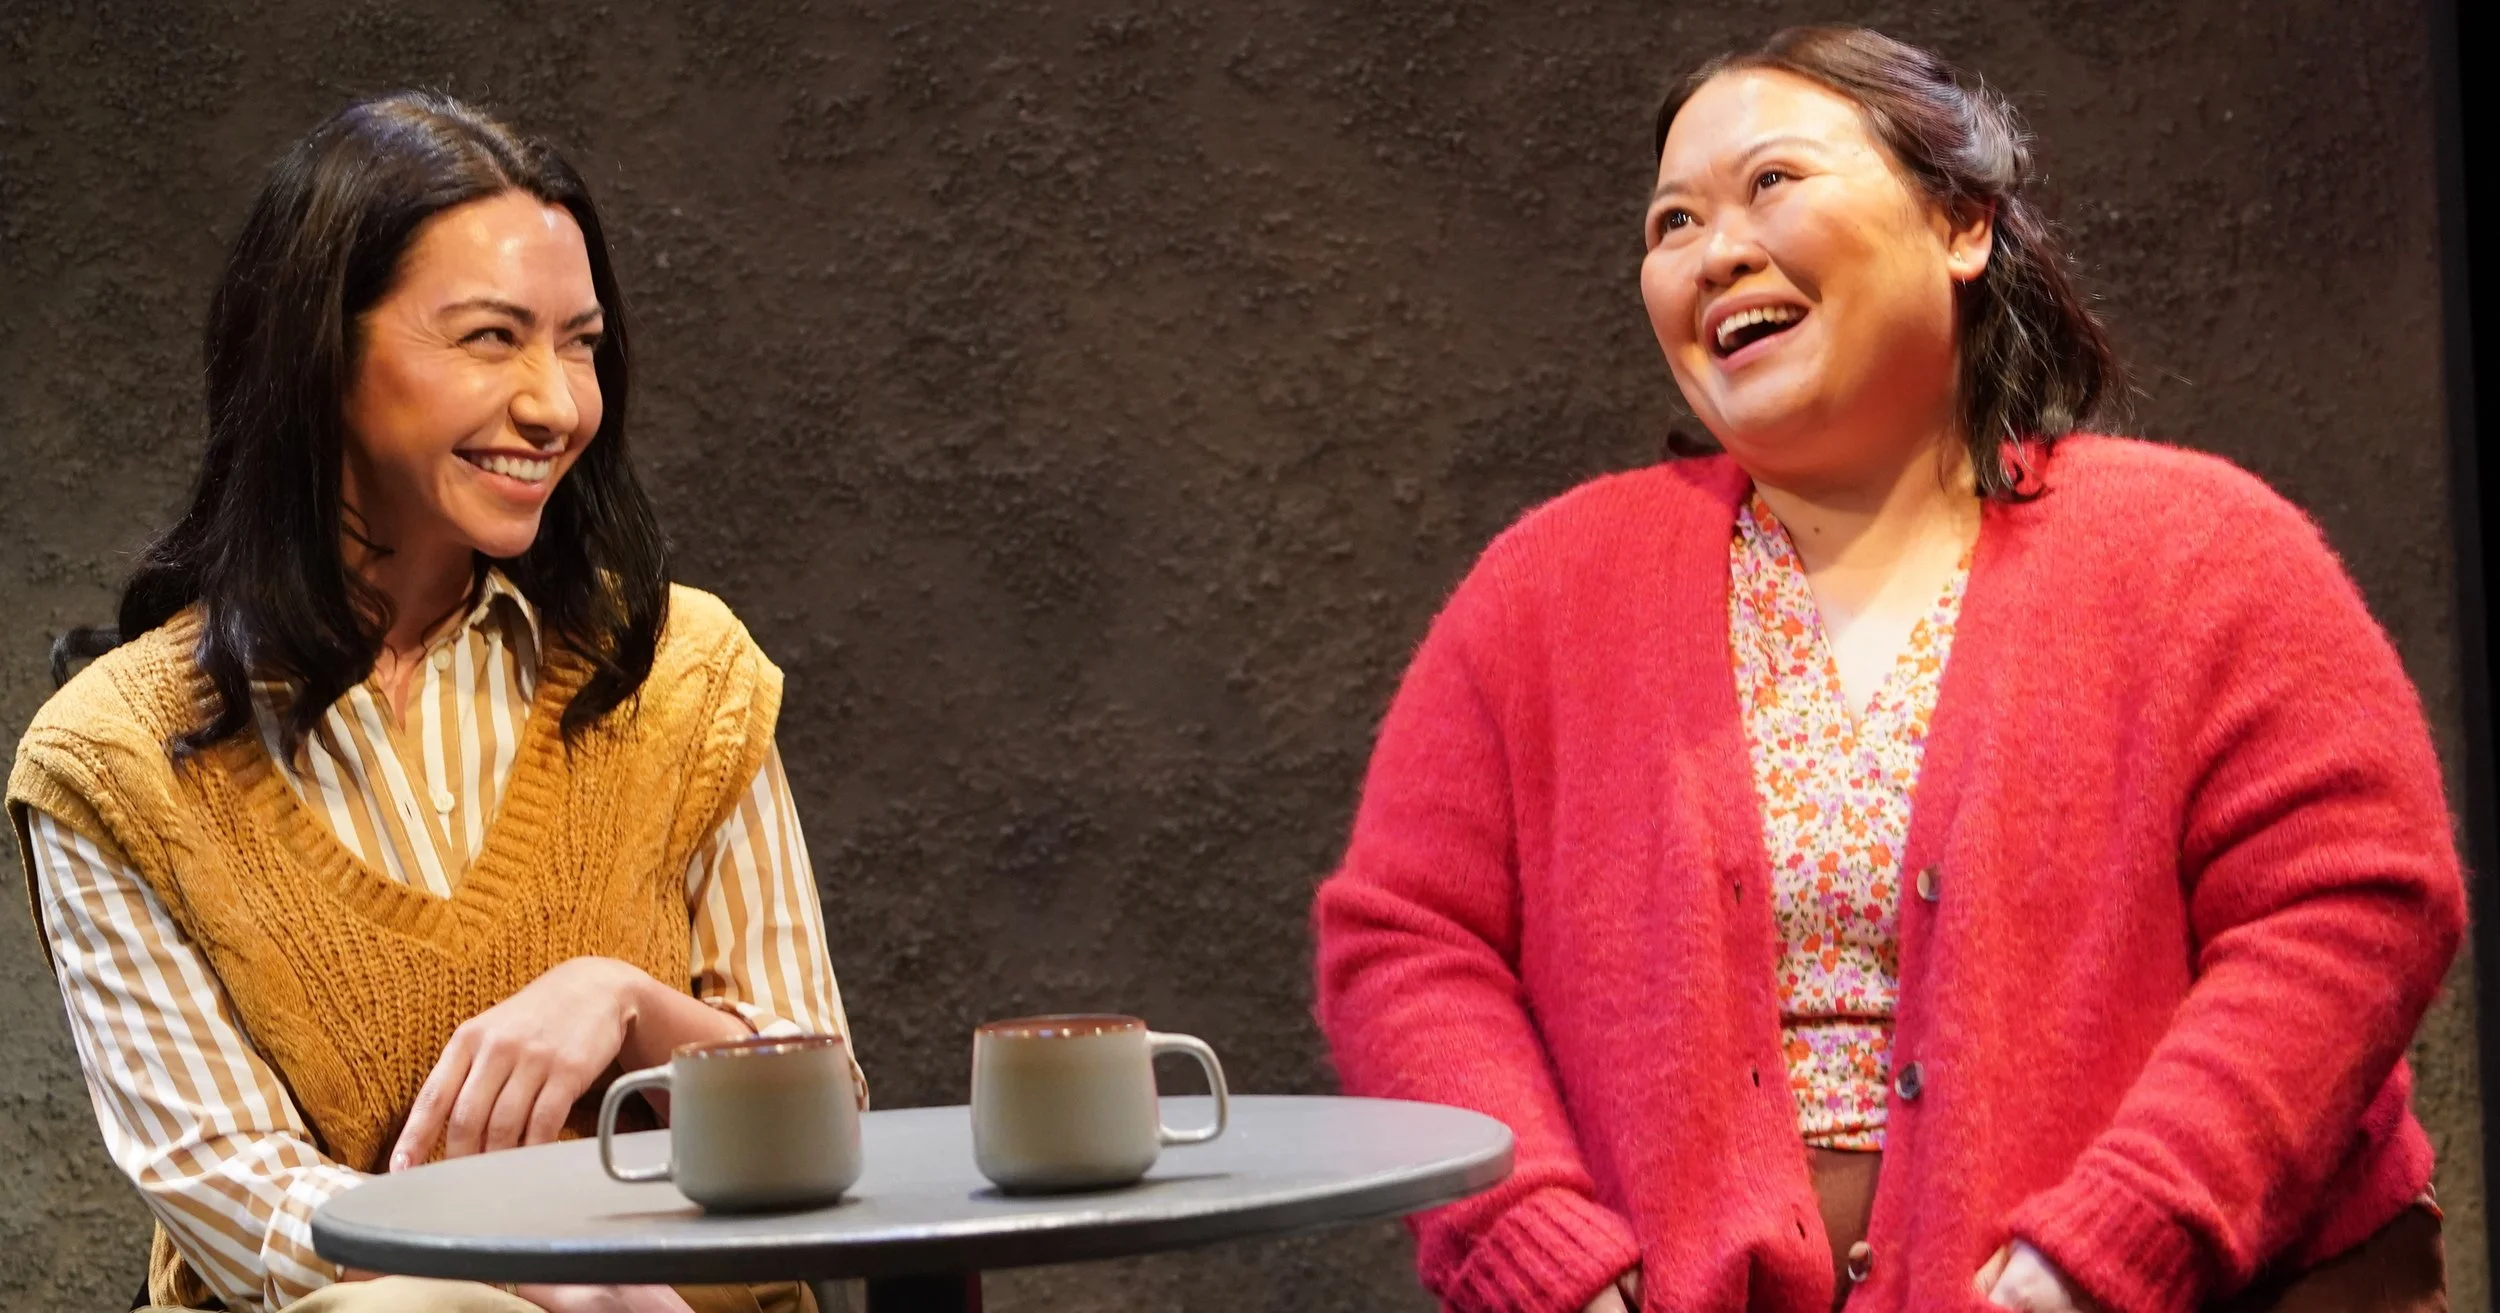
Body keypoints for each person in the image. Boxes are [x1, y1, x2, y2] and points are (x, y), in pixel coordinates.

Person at [1313, 26, 2461, 1313]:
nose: (1716, 250)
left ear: (1961, 223)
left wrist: (2118, 1240)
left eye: (1770, 183)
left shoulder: (2200, 552)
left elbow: (2352, 899)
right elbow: (1405, 939)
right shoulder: (1550, 590)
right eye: (1671, 222)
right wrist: (1534, 1249)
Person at [10, 93, 857, 1313]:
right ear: (319, 354)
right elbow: (245, 1201)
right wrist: (563, 1284)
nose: (556, 403)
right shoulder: (111, 758)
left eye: (579, 343)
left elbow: (828, 1130)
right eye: (491, 337)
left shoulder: (684, 671)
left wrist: (623, 1001)